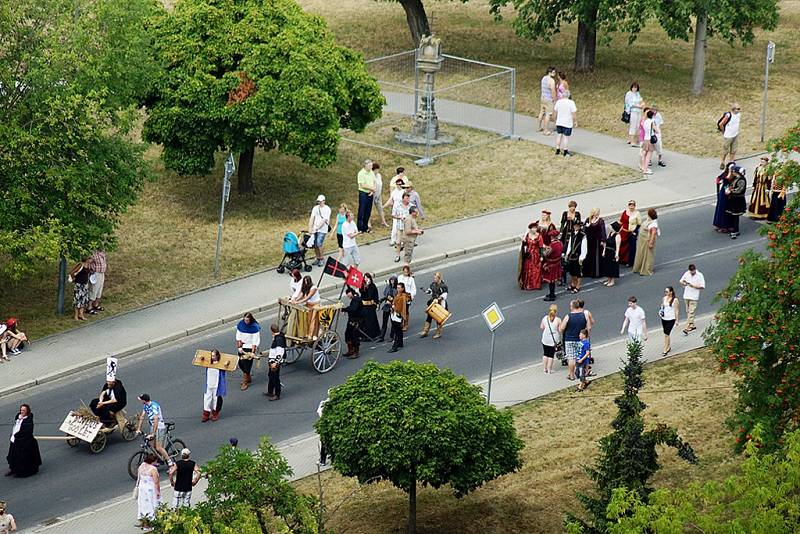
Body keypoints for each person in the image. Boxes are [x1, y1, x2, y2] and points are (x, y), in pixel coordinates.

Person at [135, 394, 171, 466]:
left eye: (141, 399)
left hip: (159, 427)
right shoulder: (146, 405)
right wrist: (138, 429)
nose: (140, 400)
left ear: (144, 400)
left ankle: (169, 461)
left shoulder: (154, 406)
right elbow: (142, 416)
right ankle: (157, 460)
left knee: (158, 447)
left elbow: (156, 420)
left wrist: (153, 433)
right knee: (151, 446)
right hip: (153, 426)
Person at [6, 404, 41, 478]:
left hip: (24, 442)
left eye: (24, 410)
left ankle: (21, 472)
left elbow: (26, 432)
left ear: (27, 411)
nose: (22, 412)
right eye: (21, 410)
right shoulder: (18, 416)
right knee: (13, 455)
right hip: (14, 440)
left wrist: (17, 436)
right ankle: (13, 469)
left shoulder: (28, 420)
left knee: (21, 458)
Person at [559, 300, 586, 381]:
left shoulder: (568, 316)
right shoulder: (583, 315)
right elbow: (587, 326)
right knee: (580, 356)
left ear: (572, 307)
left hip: (570, 339)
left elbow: (562, 328)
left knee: (571, 358)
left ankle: (571, 375)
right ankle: (581, 373)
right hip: (580, 338)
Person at [235, 312, 261, 391]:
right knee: (240, 363)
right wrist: (239, 347)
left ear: (250, 320)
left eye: (247, 320)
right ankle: (248, 376)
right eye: (245, 320)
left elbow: (255, 340)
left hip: (249, 347)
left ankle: (245, 381)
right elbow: (238, 336)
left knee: (247, 365)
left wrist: (253, 352)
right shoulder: (241, 324)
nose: (245, 322)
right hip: (242, 346)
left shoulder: (255, 327)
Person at [135, 453, 160, 529]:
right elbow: (156, 482)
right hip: (150, 489)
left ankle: (144, 521)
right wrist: (158, 491)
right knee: (152, 504)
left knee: (143, 505)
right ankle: (152, 521)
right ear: (152, 461)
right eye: (155, 461)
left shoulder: (141, 466)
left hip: (142, 489)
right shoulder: (153, 469)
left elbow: (139, 478)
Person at [420, 271, 448, 339]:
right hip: (433, 303)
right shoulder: (433, 284)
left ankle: (438, 332)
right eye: (434, 278)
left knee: (438, 318)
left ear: (439, 278)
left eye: (436, 278)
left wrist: (439, 299)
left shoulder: (443, 286)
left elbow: (444, 295)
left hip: (440, 304)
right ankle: (425, 331)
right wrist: (426, 290)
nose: (434, 279)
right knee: (429, 316)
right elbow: (431, 291)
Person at [679, 264, 705, 336]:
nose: (691, 273)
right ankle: (692, 325)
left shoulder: (700, 275)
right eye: (691, 271)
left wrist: (693, 286)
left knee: (691, 311)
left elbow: (702, 286)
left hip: (694, 296)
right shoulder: (687, 273)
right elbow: (681, 281)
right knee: (688, 311)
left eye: (693, 271)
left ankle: (687, 327)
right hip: (686, 295)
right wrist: (685, 283)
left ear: (695, 270)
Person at [202, 349, 227, 421]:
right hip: (209, 384)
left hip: (216, 385)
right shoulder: (208, 363)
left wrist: (225, 365)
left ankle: (215, 413)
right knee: (207, 399)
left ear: (217, 356)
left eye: (214, 355)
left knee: (216, 399)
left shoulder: (220, 365)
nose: (212, 357)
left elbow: (225, 368)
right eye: (211, 355)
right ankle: (206, 413)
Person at [632, 208, 659, 276]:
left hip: (647, 240)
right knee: (641, 253)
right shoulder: (648, 220)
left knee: (648, 255)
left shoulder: (654, 224)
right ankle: (639, 267)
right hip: (642, 241)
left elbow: (653, 234)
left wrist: (651, 243)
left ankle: (646, 270)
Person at [308, 195, 332, 267]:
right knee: (314, 244)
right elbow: (312, 217)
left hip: (323, 229)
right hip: (315, 228)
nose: (320, 203)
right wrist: (310, 227)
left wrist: (317, 228)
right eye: (319, 201)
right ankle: (317, 258)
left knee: (319, 243)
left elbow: (324, 220)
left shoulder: (327, 209)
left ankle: (321, 258)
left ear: (324, 201)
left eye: (321, 201)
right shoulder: (315, 208)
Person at [518, 223, 543, 291]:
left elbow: (541, 247)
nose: (535, 229)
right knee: (528, 268)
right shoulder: (528, 235)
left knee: (536, 269)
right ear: (531, 229)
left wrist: (541, 256)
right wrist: (523, 241)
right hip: (529, 254)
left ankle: (536, 284)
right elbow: (526, 244)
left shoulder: (539, 236)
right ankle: (528, 284)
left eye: (535, 228)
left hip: (536, 255)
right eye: (533, 228)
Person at [565, 219, 587, 293]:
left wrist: (582, 257)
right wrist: (567, 253)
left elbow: (584, 247)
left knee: (578, 272)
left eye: (577, 226)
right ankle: (573, 284)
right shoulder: (572, 234)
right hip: (572, 255)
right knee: (572, 271)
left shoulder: (583, 235)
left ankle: (578, 285)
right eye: (575, 225)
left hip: (578, 255)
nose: (576, 227)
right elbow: (570, 245)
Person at [553, 90, 577, 157]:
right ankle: (565, 151)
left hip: (559, 122)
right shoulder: (571, 103)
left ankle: (557, 149)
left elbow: (555, 112)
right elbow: (574, 113)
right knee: (566, 137)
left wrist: (555, 120)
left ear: (562, 95)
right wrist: (575, 121)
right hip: (567, 123)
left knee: (559, 135)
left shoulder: (558, 102)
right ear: (569, 96)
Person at [713, 162, 736, 233]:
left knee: (728, 209)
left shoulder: (734, 175)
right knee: (721, 208)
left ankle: (727, 226)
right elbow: (719, 178)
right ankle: (719, 224)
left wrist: (729, 188)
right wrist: (719, 181)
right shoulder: (725, 173)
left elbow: (732, 182)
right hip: (723, 193)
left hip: (730, 193)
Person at [583, 208, 606, 279]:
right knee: (589, 255)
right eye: (596, 212)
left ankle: (596, 273)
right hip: (589, 240)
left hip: (597, 241)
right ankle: (588, 272)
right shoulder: (588, 219)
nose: (597, 214)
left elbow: (603, 231)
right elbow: (584, 229)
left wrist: (603, 240)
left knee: (596, 257)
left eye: (598, 212)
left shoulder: (600, 221)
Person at [726, 166, 747, 239]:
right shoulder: (736, 178)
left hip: (738, 200)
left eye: (733, 171)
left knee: (735, 216)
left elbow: (739, 190)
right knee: (732, 215)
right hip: (733, 199)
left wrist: (731, 191)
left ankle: (735, 230)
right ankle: (733, 229)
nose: (732, 172)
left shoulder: (741, 180)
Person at [618, 200, 641, 267]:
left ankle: (630, 261)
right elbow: (621, 222)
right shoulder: (625, 212)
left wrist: (634, 231)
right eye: (630, 205)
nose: (631, 207)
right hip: (624, 232)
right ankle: (621, 259)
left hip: (632, 232)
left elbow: (639, 224)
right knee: (622, 245)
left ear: (634, 206)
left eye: (633, 206)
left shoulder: (637, 213)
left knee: (631, 247)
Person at [385, 178, 407, 248]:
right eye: (397, 184)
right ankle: (393, 240)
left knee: (403, 226)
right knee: (395, 226)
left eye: (400, 184)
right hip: (395, 211)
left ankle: (403, 241)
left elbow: (406, 201)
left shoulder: (404, 192)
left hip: (402, 210)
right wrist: (384, 206)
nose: (398, 186)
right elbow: (390, 200)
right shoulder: (394, 192)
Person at [388, 282, 410, 353]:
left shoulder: (402, 297)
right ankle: (400, 343)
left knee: (396, 331)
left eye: (399, 288)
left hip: (397, 315)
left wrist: (392, 305)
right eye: (397, 287)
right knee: (399, 330)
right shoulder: (399, 295)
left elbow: (398, 308)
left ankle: (395, 346)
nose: (397, 289)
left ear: (403, 288)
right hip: (395, 315)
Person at [342, 287, 363, 359]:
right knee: (348, 334)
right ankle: (350, 350)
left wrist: (345, 309)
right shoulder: (354, 299)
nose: (347, 296)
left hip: (356, 320)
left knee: (355, 336)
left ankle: (356, 352)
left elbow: (353, 308)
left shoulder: (357, 299)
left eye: (348, 294)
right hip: (351, 320)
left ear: (351, 293)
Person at [540, 304, 562, 374]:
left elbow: (541, 327)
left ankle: (544, 369)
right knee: (551, 355)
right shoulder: (558, 319)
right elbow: (560, 329)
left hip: (545, 338)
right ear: (556, 311)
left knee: (545, 353)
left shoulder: (545, 318)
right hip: (554, 340)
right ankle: (549, 370)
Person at [265, 324, 285, 400]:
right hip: (272, 361)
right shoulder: (277, 337)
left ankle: (277, 394)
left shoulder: (278, 340)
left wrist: (275, 363)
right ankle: (270, 391)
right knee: (270, 376)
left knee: (275, 378)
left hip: (274, 362)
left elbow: (280, 353)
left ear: (272, 331)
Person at [659, 286, 680, 356]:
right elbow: (663, 306)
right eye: (665, 291)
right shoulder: (664, 298)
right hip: (664, 318)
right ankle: (668, 346)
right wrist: (661, 310)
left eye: (667, 292)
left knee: (666, 334)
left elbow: (676, 310)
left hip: (671, 319)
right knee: (666, 333)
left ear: (671, 292)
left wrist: (677, 320)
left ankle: (665, 349)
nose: (666, 293)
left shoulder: (675, 300)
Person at [720, 103, 741, 169]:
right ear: (733, 109)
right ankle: (722, 162)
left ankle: (731, 161)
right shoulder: (728, 115)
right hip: (728, 136)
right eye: (737, 109)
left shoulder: (739, 115)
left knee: (734, 149)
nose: (738, 110)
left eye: (739, 109)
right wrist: (724, 132)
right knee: (725, 149)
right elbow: (721, 124)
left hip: (735, 134)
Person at [542, 236, 563, 301]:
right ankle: (552, 294)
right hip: (557, 263)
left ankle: (552, 295)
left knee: (551, 281)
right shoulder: (560, 243)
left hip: (551, 264)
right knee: (553, 281)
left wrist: (544, 250)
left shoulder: (552, 245)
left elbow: (546, 254)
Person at [360, 273, 381, 340]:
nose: (366, 279)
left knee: (372, 320)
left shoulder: (372, 286)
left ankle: (374, 334)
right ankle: (366, 334)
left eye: (367, 278)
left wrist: (377, 303)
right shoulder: (362, 286)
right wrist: (365, 287)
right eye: (365, 278)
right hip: (364, 306)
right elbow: (362, 293)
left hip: (371, 305)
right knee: (365, 321)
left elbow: (372, 295)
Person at [391, 192, 411, 262]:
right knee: (398, 242)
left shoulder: (411, 206)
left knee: (406, 242)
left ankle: (407, 255)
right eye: (407, 198)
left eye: (409, 198)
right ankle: (397, 255)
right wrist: (399, 217)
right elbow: (393, 215)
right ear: (403, 199)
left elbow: (415, 214)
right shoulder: (398, 206)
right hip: (400, 227)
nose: (408, 199)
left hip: (407, 227)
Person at [356, 159, 375, 232]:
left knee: (368, 210)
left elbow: (373, 182)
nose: (371, 167)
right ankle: (360, 228)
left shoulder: (371, 172)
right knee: (362, 210)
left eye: (371, 165)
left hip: (370, 193)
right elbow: (362, 185)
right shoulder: (361, 173)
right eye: (370, 165)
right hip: (363, 193)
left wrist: (372, 190)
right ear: (365, 165)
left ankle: (365, 227)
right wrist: (372, 189)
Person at [602, 221, 622, 287]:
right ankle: (608, 279)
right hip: (607, 251)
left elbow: (618, 246)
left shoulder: (617, 236)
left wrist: (617, 254)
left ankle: (612, 280)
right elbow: (606, 243)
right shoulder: (610, 233)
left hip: (612, 252)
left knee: (612, 266)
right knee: (607, 266)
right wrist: (604, 251)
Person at [87, 250, 107, 315]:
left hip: (102, 273)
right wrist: (90, 270)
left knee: (99, 289)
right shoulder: (93, 254)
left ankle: (96, 304)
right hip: (96, 274)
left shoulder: (102, 253)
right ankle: (89, 307)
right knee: (94, 289)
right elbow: (88, 262)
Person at [538, 66, 557, 135]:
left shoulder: (543, 78)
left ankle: (539, 127)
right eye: (553, 72)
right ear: (549, 72)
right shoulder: (552, 81)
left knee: (541, 112)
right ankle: (546, 130)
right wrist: (555, 100)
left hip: (542, 97)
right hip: (548, 99)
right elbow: (553, 91)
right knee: (548, 114)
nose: (554, 74)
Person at [378, 276, 398, 343]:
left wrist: (392, 300)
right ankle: (382, 336)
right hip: (386, 306)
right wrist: (382, 300)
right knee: (384, 322)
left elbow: (397, 298)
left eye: (393, 280)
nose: (392, 282)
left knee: (393, 322)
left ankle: (392, 336)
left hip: (393, 307)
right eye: (391, 280)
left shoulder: (397, 289)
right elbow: (386, 296)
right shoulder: (388, 287)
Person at [640, 109, 659, 175]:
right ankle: (645, 170)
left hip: (645, 139)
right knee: (648, 156)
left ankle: (642, 167)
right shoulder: (652, 122)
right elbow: (657, 131)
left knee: (643, 154)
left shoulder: (645, 122)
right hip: (650, 140)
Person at [371, 162, 389, 228]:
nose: (377, 171)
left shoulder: (379, 175)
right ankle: (368, 223)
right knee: (370, 209)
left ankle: (383, 222)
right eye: (376, 169)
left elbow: (380, 184)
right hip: (372, 194)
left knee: (380, 208)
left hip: (378, 194)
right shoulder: (371, 175)